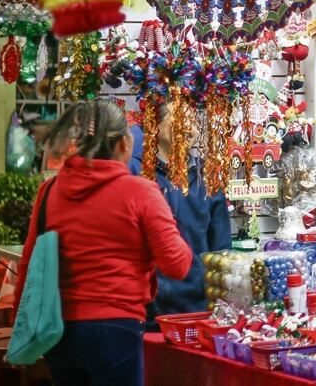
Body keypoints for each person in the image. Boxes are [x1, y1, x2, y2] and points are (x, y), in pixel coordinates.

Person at [14, 100, 192, 386]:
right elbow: (177, 265)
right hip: (118, 330)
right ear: (123, 144)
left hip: (59, 332)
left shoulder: (49, 191)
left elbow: (28, 265)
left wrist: (20, 326)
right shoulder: (141, 192)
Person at [146, 103, 233, 320]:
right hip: (150, 310)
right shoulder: (141, 177)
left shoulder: (208, 179)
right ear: (156, 126)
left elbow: (221, 251)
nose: (189, 128)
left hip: (198, 308)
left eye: (193, 121)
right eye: (179, 119)